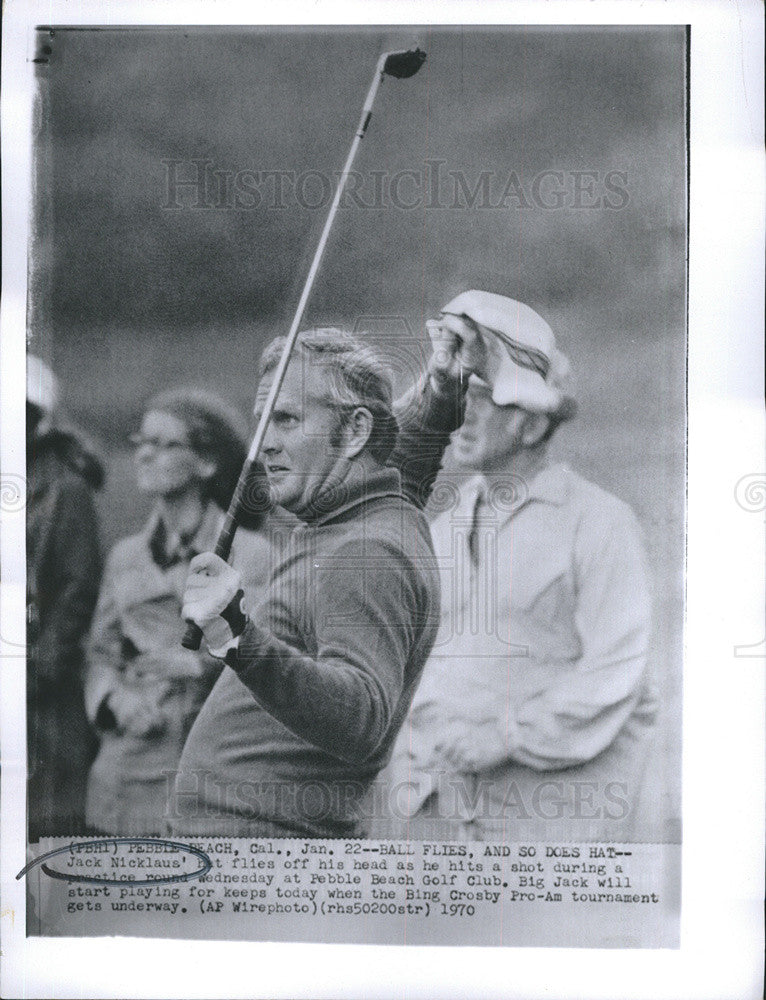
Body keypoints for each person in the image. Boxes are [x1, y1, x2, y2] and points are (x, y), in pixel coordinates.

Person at [171, 327, 467, 838]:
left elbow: (361, 721)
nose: (264, 444)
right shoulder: (371, 511)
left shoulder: (366, 551)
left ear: (354, 432)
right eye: (264, 420)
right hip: (253, 840)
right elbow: (398, 462)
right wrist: (438, 395)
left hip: (261, 852)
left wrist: (236, 632)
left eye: (285, 419)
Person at [386, 290, 658, 842]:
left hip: (549, 819)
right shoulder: (439, 530)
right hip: (441, 813)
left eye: (483, 397)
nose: (463, 412)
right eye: (461, 394)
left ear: (532, 425)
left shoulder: (599, 522)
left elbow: (617, 671)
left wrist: (507, 735)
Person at [84, 388, 290, 835]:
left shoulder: (252, 555)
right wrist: (115, 702)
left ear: (207, 464)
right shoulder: (125, 556)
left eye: (166, 444)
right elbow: (100, 654)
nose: (146, 455)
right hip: (129, 776)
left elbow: (269, 662)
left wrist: (198, 665)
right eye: (143, 442)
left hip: (213, 778)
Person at [26, 354, 104, 841]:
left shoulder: (64, 491)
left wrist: (39, 671)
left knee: (48, 812)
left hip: (42, 682)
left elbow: (79, 591)